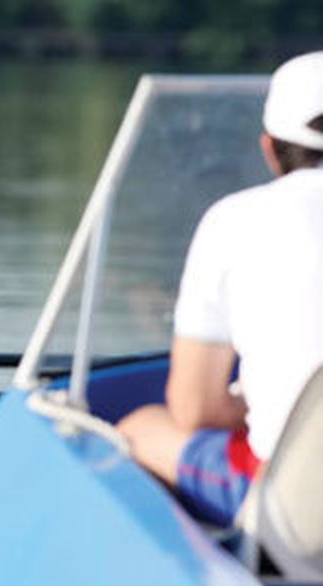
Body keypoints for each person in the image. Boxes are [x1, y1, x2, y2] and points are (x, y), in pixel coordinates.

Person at [117, 51, 323, 528]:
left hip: (296, 513)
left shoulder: (233, 220)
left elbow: (195, 409)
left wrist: (255, 401)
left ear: (270, 149)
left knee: (140, 430)